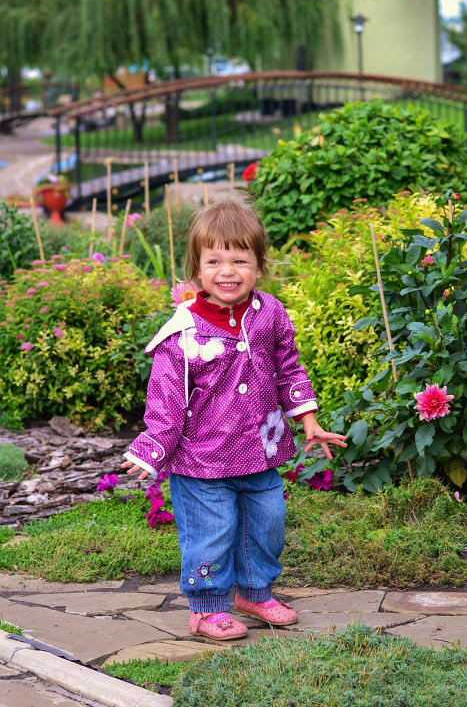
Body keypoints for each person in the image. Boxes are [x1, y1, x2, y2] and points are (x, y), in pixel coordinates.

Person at [121, 199, 347, 640]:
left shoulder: (270, 314)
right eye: (215, 261)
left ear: (258, 266)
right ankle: (206, 608)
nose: (228, 271)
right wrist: (151, 448)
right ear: (198, 270)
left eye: (240, 260)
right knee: (211, 532)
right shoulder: (183, 333)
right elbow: (166, 399)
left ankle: (254, 593)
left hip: (261, 451)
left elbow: (289, 368)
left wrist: (309, 419)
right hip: (202, 460)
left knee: (267, 525)